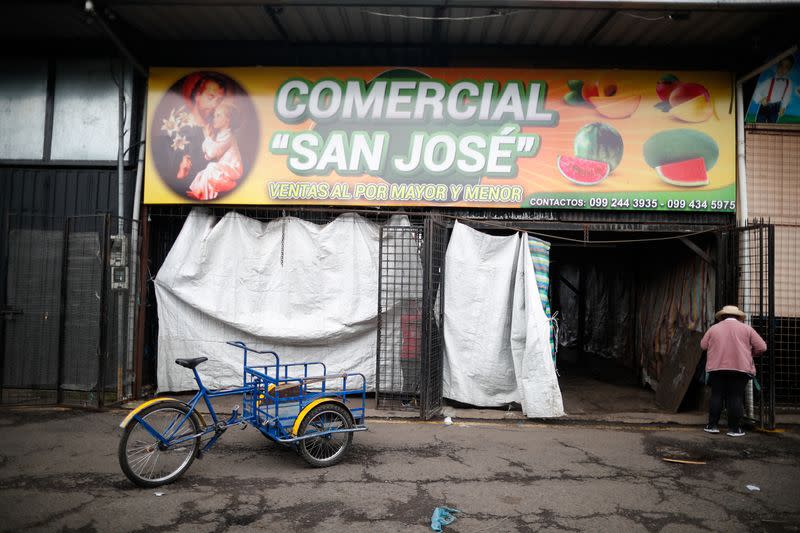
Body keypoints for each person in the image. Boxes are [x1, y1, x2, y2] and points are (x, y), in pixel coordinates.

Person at [153, 72, 229, 195]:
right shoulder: (174, 132)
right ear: (197, 95)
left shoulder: (221, 132)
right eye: (211, 97)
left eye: (219, 100)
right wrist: (180, 174)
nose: (215, 104)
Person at [700, 305, 767, 437]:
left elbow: (703, 345)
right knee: (735, 397)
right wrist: (751, 353)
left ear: (722, 316)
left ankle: (712, 426)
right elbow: (762, 347)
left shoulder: (713, 328)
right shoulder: (747, 329)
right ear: (738, 317)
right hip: (740, 368)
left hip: (717, 368)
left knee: (717, 395)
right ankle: (734, 429)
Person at [186, 100, 243, 200]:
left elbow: (211, 152)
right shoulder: (220, 135)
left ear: (227, 120)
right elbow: (205, 150)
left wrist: (208, 137)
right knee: (204, 173)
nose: (214, 119)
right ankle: (199, 192)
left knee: (211, 167)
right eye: (215, 115)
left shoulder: (229, 136)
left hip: (233, 168)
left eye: (218, 115)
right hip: (223, 167)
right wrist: (209, 139)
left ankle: (204, 193)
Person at [754, 56, 795, 123]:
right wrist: (760, 99)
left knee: (772, 123)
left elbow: (787, 96)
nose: (782, 68)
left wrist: (783, 107)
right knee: (760, 122)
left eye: (786, 67)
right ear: (777, 65)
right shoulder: (770, 80)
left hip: (776, 107)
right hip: (765, 105)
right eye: (781, 65)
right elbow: (757, 90)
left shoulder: (788, 83)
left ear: (790, 69)